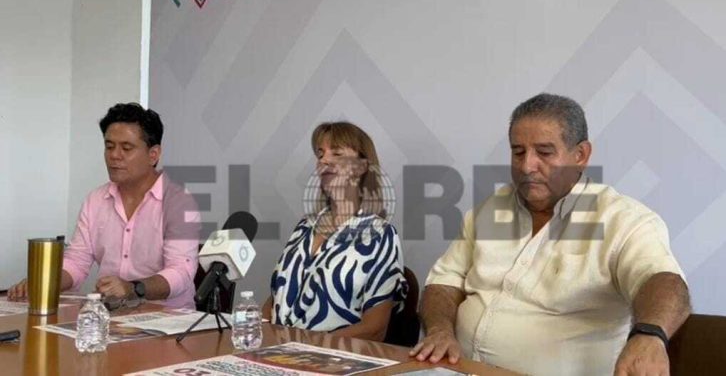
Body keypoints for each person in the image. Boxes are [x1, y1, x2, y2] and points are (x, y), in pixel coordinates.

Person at [412, 94, 690, 375]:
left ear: (580, 155)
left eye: (544, 153)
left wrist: (650, 334)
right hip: (456, 370)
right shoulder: (488, 210)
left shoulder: (623, 220)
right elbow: (444, 282)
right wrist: (439, 330)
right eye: (518, 152)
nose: (527, 166)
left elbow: (662, 281)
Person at [8, 103, 200, 309]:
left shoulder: (180, 202)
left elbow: (181, 272)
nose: (114, 155)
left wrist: (133, 288)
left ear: (153, 154)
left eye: (126, 148)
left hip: (168, 318)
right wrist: (43, 283)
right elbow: (76, 262)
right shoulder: (96, 200)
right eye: (109, 147)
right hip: (110, 314)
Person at [261, 121, 408, 341]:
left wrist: (310, 346)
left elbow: (375, 328)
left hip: (331, 355)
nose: (324, 160)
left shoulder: (380, 235)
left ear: (362, 167)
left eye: (337, 154)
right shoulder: (304, 227)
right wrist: (259, 330)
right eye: (320, 154)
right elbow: (277, 297)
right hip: (275, 352)